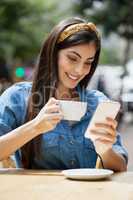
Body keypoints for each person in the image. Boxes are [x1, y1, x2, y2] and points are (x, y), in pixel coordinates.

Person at [0, 17, 128, 171]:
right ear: (53, 53)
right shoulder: (17, 98)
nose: (80, 70)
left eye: (88, 62)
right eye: (72, 58)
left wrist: (104, 150)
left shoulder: (98, 103)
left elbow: (121, 167)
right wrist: (35, 127)